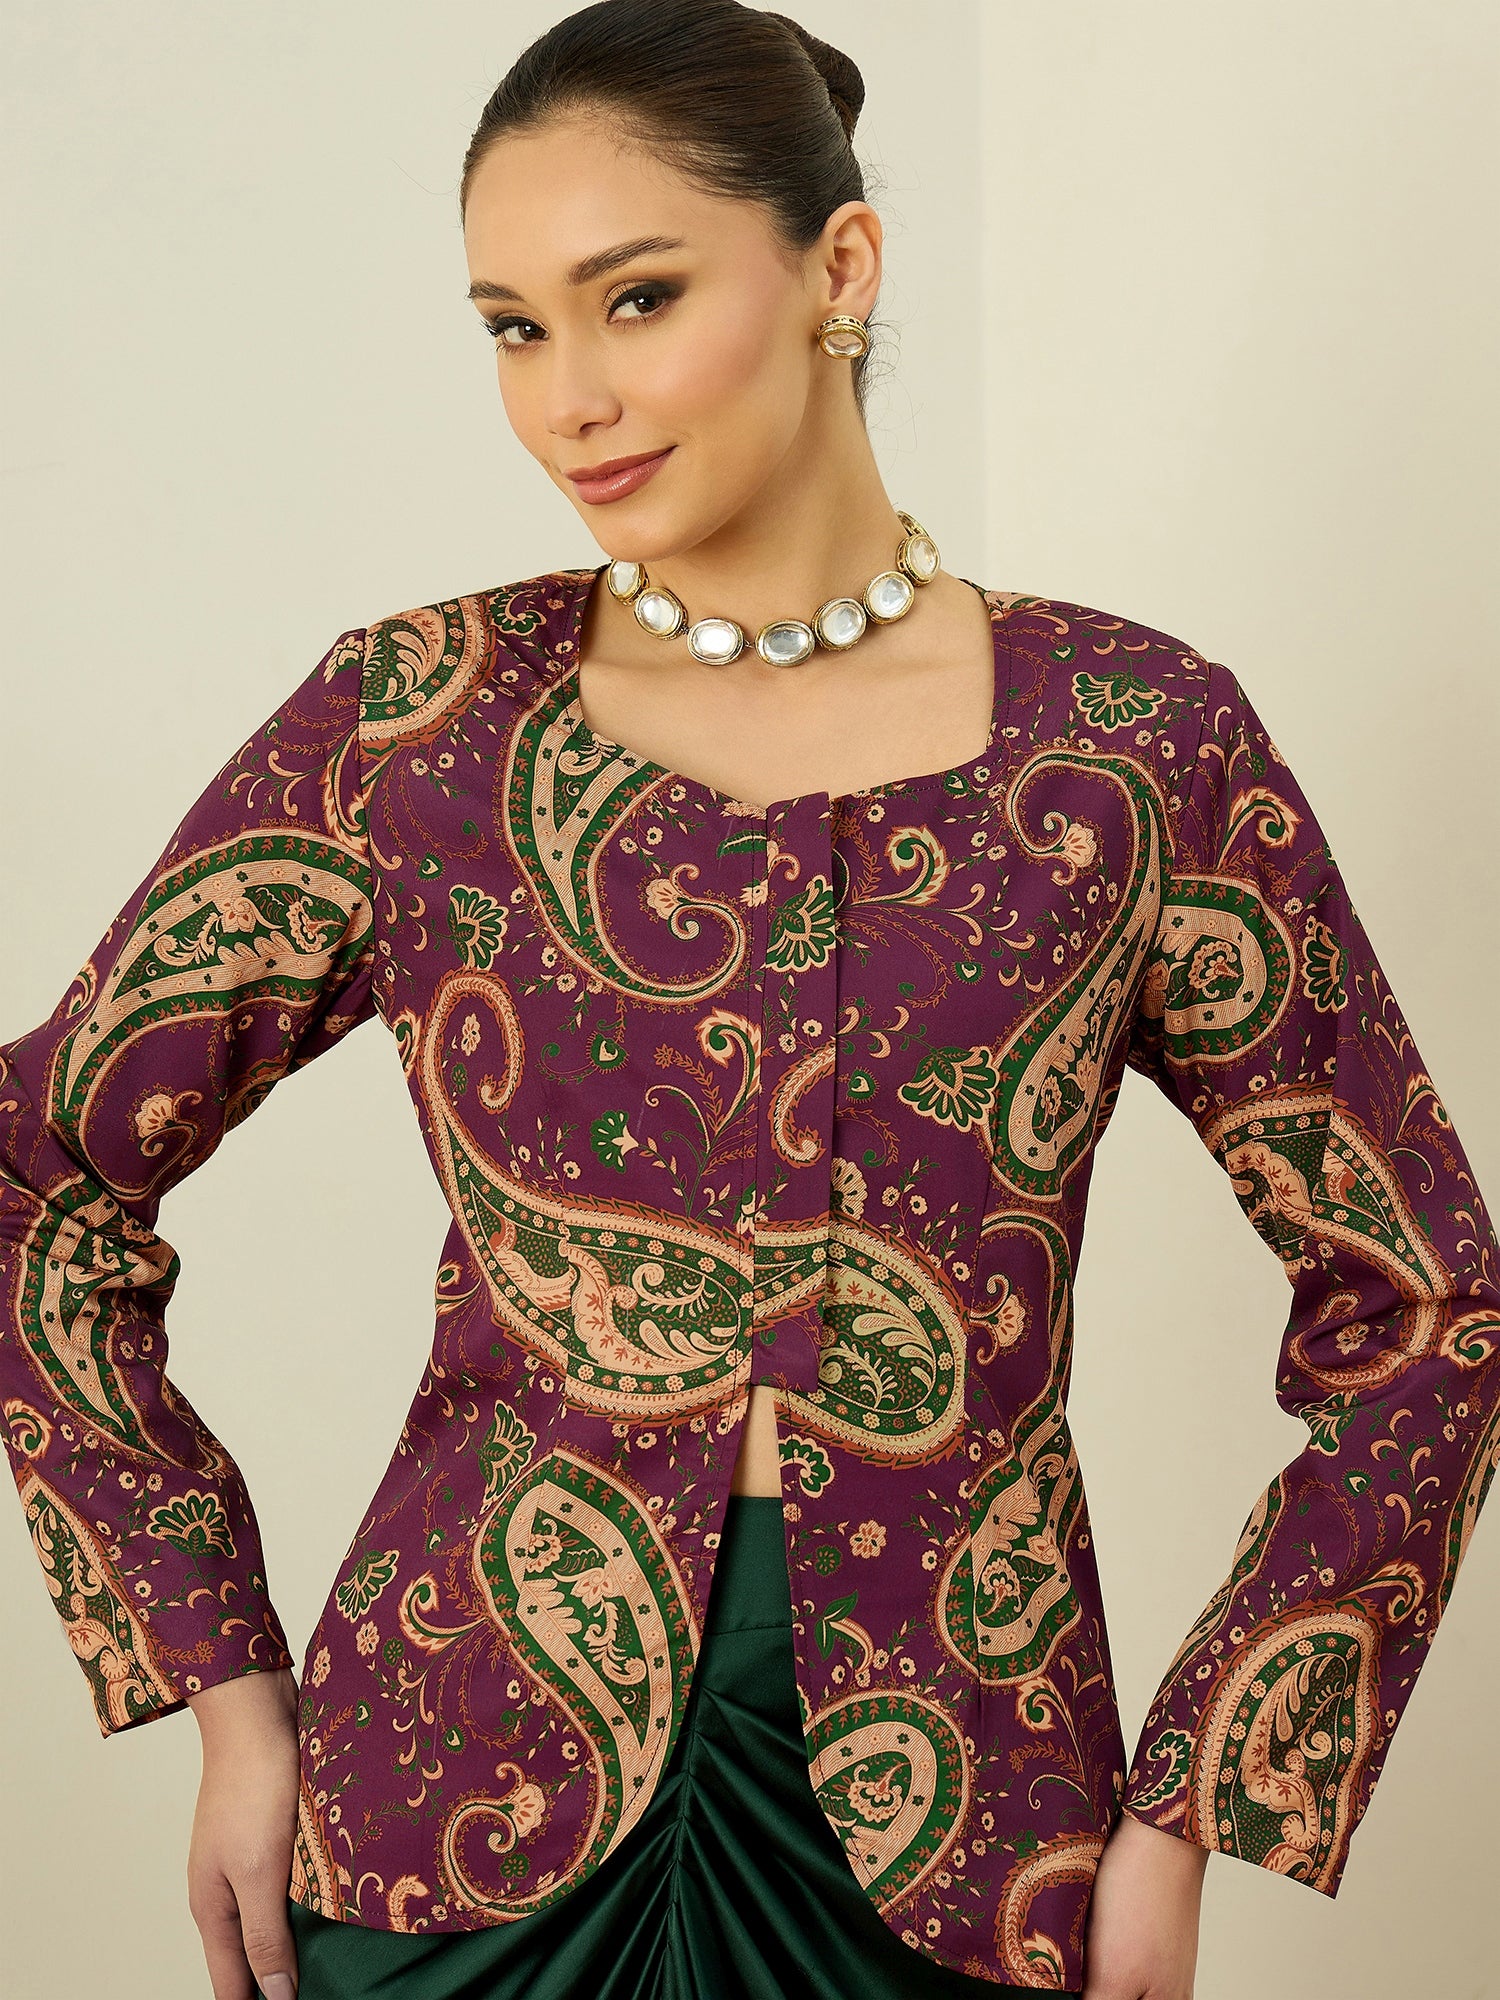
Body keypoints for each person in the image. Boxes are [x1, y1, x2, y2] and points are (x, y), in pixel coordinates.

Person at [2, 4, 1496, 1998]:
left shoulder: (1137, 742)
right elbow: (38, 1179)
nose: (570, 400)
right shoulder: (414, 728)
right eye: (513, 327)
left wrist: (1197, 1799)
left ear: (838, 268)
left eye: (636, 299)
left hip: (969, 1831)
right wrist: (219, 1684)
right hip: (455, 1807)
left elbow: (1425, 1305)